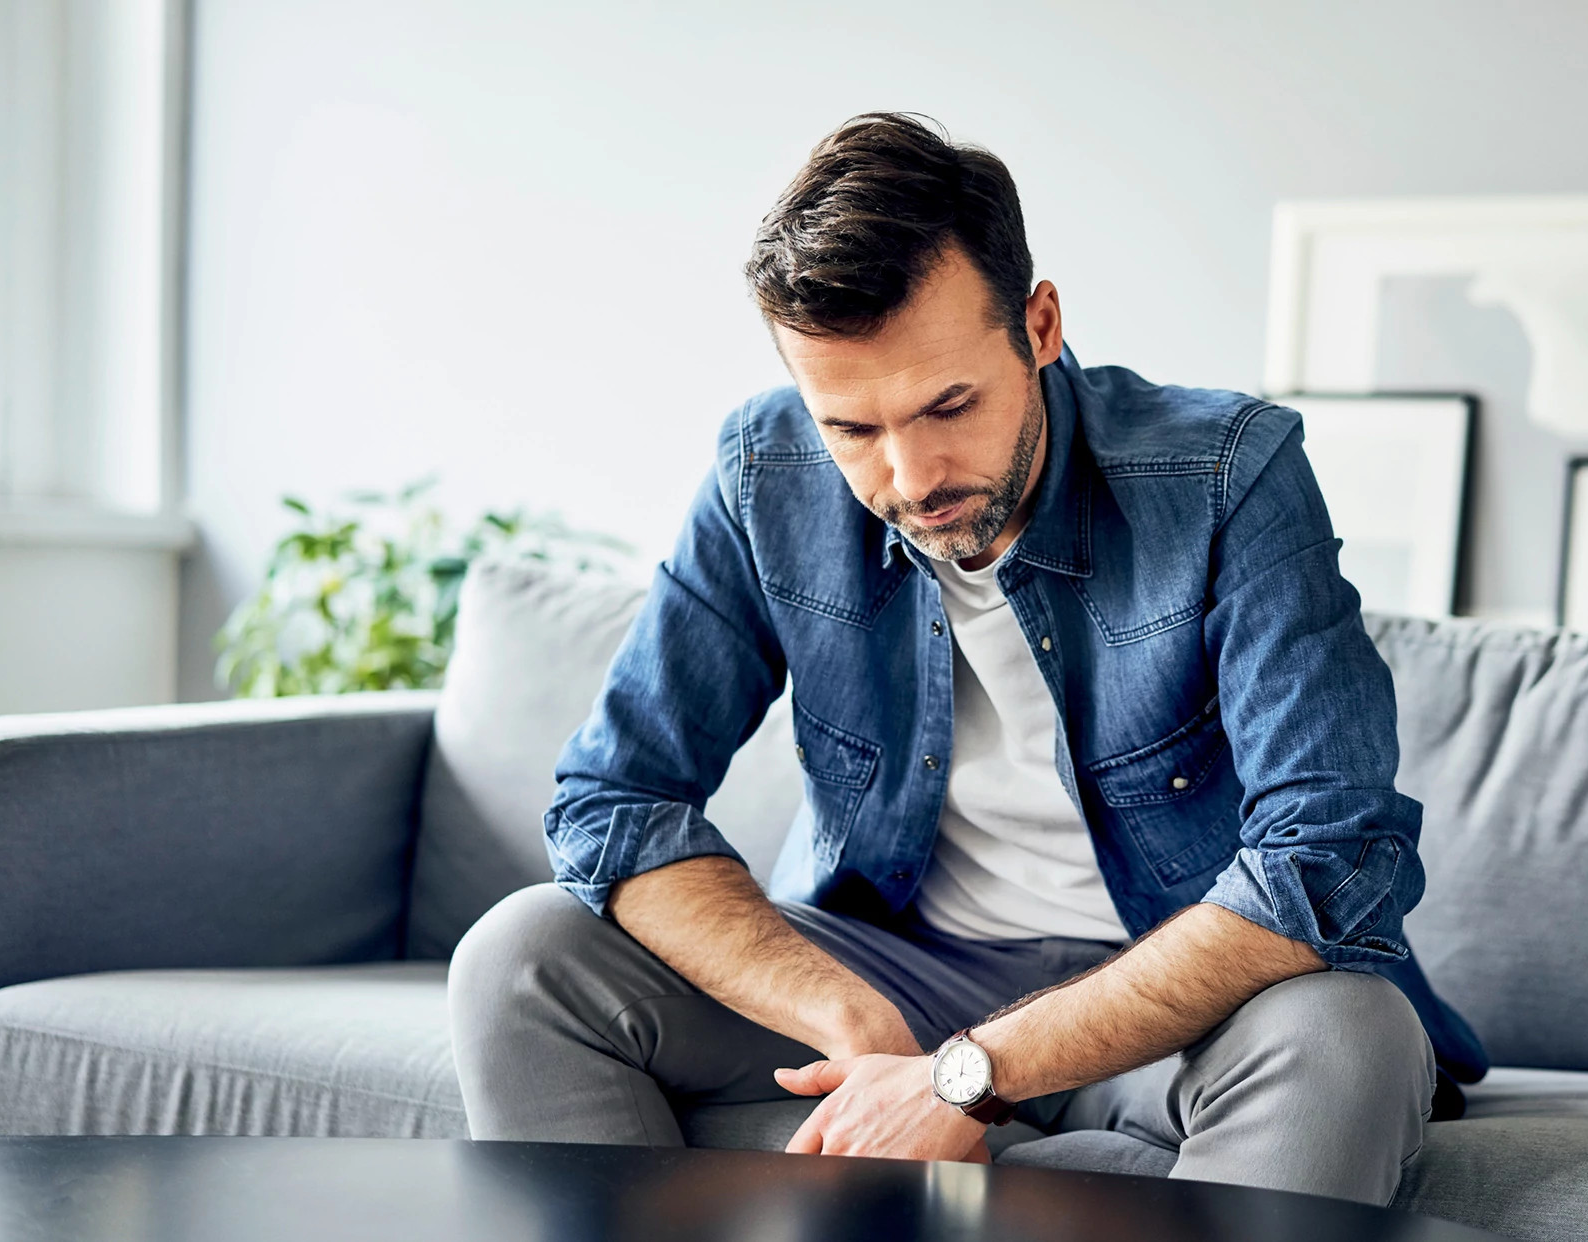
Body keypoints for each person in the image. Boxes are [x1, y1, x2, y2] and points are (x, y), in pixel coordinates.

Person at [448, 112, 1486, 1207]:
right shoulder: (765, 473)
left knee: (1348, 1033)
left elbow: (1326, 858)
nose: (909, 474)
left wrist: (967, 1076)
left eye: (949, 404)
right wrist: (857, 1024)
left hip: (1180, 1000)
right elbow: (614, 799)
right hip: (898, 970)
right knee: (524, 957)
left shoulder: (1226, 473)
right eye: (853, 428)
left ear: (1037, 326)